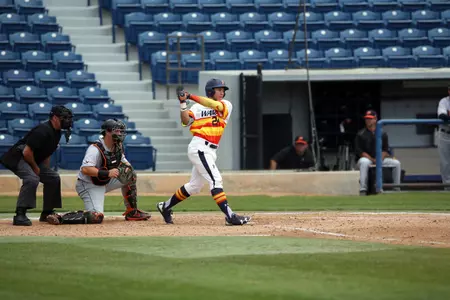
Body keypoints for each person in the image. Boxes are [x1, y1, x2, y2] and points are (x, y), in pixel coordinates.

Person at [156, 79, 251, 226]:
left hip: (210, 150)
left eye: (222, 90)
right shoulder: (196, 107)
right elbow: (186, 121)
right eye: (218, 89)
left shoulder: (226, 105)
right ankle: (230, 216)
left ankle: (165, 206)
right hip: (199, 147)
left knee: (195, 186)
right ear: (210, 91)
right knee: (216, 180)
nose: (222, 92)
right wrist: (182, 104)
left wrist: (190, 96)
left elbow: (214, 105)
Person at [0, 105, 73, 226]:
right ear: (54, 118)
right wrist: (35, 168)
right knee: (32, 178)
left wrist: (44, 170)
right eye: (64, 117)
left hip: (31, 157)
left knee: (53, 178)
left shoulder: (57, 132)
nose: (68, 121)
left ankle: (47, 213)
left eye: (69, 118)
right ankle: (20, 214)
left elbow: (47, 153)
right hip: (18, 157)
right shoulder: (42, 130)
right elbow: (27, 152)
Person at [72, 119, 151, 222]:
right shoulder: (95, 148)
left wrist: (128, 170)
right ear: (108, 132)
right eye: (117, 131)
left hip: (105, 180)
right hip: (89, 184)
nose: (120, 133)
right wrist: (108, 173)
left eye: (121, 131)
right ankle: (61, 217)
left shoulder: (117, 146)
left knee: (129, 174)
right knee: (96, 217)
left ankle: (132, 212)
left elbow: (124, 162)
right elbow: (85, 169)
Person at [354, 110, 401, 195]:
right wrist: (372, 159)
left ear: (375, 119)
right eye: (366, 119)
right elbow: (360, 151)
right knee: (364, 162)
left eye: (370, 118)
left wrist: (379, 159)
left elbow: (385, 150)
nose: (368, 120)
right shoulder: (360, 134)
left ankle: (396, 188)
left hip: (379, 159)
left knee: (396, 163)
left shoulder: (382, 133)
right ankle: (363, 189)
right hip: (366, 159)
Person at [437, 85, 450, 190]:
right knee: (445, 163)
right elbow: (442, 116)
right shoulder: (444, 101)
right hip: (445, 134)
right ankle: (447, 188)